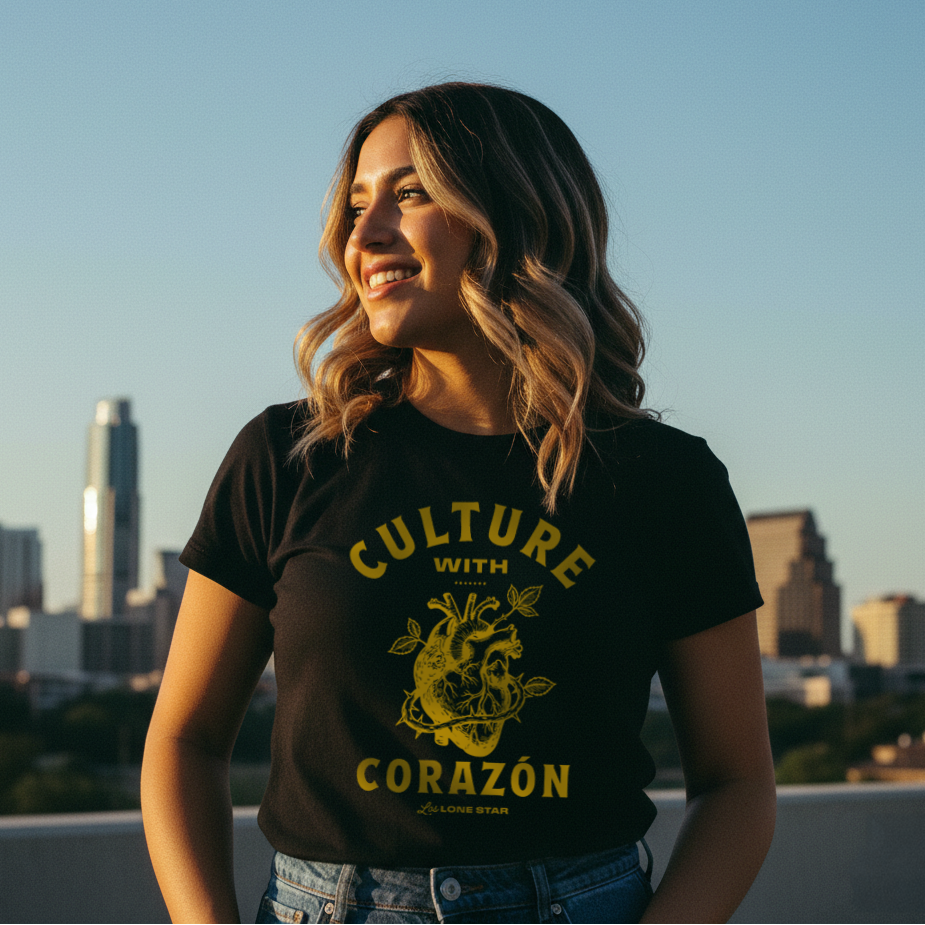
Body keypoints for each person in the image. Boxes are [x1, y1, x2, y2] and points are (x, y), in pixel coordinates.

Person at [141, 82, 775, 924]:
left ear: (511, 213)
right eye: (357, 203)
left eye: (408, 195)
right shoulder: (288, 458)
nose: (361, 235)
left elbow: (736, 782)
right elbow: (183, 739)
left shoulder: (664, 481)